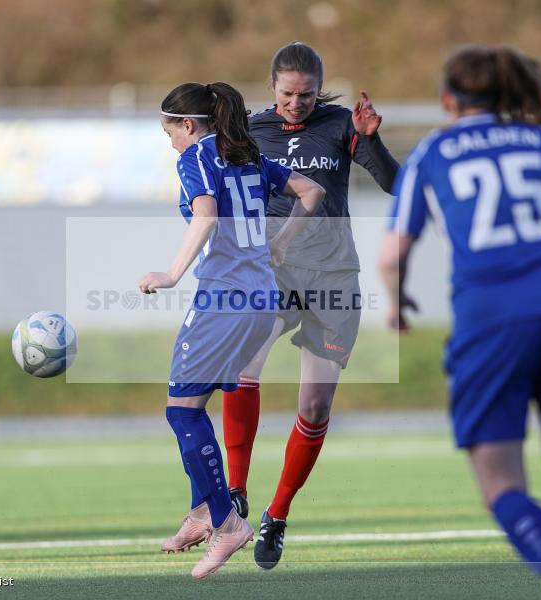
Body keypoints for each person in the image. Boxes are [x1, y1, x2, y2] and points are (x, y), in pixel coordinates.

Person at [379, 46, 541, 600]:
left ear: (448, 99)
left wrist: (396, 304)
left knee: (501, 483)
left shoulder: (433, 151)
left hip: (491, 319)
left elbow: (392, 256)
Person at [219, 41, 401, 569]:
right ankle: (235, 492)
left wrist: (372, 140)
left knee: (315, 407)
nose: (297, 102)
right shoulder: (252, 132)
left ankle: (276, 516)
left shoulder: (343, 125)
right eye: (288, 93)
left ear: (320, 91)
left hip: (334, 278)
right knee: (241, 367)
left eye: (307, 94)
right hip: (272, 271)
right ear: (272, 88)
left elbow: (393, 184)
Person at [139, 82, 324, 580]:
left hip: (223, 300)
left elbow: (205, 215)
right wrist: (279, 245)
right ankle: (203, 512)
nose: (170, 142)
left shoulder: (198, 155)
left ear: (189, 125)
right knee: (192, 406)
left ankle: (225, 522)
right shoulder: (247, 155)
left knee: (181, 412)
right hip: (262, 300)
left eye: (170, 132)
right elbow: (312, 191)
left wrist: (171, 274)